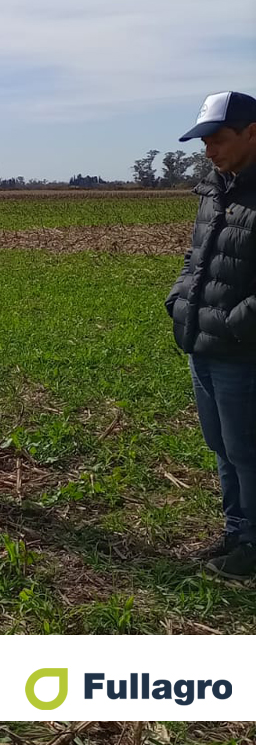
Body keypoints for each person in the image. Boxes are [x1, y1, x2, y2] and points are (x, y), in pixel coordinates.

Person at [167, 90, 256, 581]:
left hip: (242, 351)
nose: (209, 150)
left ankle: (253, 544)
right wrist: (180, 303)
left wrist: (227, 324)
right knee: (222, 445)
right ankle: (236, 530)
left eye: (218, 139)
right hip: (201, 341)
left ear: (252, 132)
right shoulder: (217, 187)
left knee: (248, 449)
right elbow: (195, 258)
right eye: (204, 141)